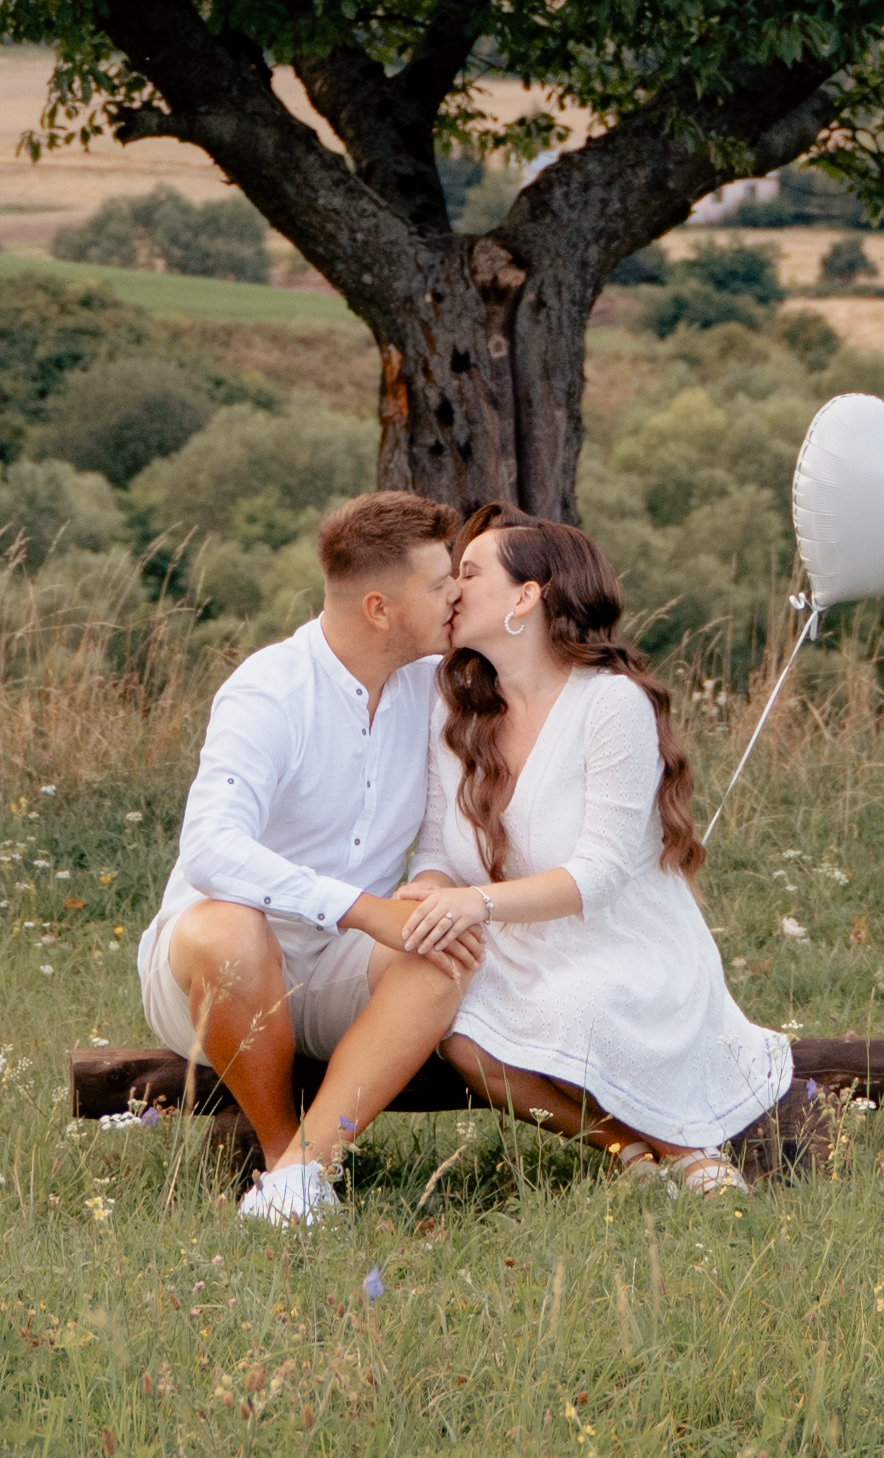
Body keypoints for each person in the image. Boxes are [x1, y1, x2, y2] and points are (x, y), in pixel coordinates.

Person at [402, 513, 813, 1191]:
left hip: (618, 939)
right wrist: (428, 894)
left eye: (470, 574)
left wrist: (469, 903)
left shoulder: (610, 704)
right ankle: (627, 1151)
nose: (452, 589)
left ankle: (689, 1151)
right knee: (460, 1035)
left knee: (582, 1004)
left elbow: (598, 874)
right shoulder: (454, 706)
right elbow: (437, 849)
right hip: (509, 940)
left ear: (526, 598)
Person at [137, 490, 484, 1228]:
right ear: (380, 609)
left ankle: (300, 1177)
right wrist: (364, 910)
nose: (456, 593)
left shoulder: (435, 688)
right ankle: (277, 1151)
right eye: (437, 582)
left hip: (332, 965)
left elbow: (438, 831)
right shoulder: (269, 691)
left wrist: (424, 886)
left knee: (442, 949)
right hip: (208, 973)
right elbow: (208, 847)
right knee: (231, 928)